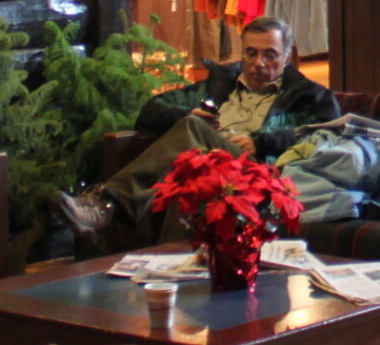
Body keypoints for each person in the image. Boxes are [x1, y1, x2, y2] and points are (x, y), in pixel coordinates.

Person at [48, 14, 341, 251]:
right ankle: (166, 275)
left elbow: (327, 135)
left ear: (287, 56)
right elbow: (150, 111)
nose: (258, 63)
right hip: (210, 165)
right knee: (189, 182)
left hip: (257, 172)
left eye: (270, 55)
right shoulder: (217, 85)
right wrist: (187, 114)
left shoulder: (308, 95)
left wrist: (260, 140)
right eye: (250, 53)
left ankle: (108, 202)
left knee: (192, 130)